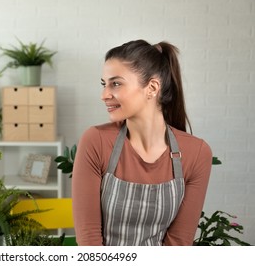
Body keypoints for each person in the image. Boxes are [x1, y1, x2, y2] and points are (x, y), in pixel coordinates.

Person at [72, 39, 212, 246]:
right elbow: (89, 237)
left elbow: (179, 243)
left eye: (116, 83)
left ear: (152, 87)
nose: (104, 95)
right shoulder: (96, 141)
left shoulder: (196, 153)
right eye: (104, 84)